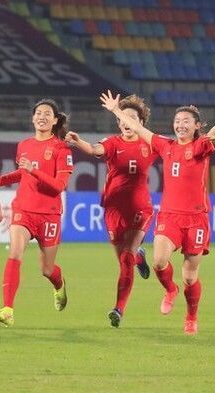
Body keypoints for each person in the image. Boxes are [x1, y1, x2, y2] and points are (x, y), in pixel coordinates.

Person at [100, 85, 215, 334]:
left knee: (190, 276)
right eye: (177, 121)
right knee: (159, 261)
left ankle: (191, 316)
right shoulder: (165, 146)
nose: (180, 125)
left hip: (196, 218)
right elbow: (138, 128)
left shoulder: (201, 147)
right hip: (169, 216)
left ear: (196, 126)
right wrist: (116, 109)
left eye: (186, 122)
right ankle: (170, 289)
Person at [64, 94, 155, 328]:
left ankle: (119, 309)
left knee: (125, 259)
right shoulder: (113, 143)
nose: (126, 121)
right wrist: (78, 142)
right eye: (122, 118)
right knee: (124, 258)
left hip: (140, 208)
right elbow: (95, 150)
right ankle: (140, 256)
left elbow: (177, 148)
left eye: (131, 117)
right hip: (113, 209)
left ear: (141, 122)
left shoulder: (151, 143)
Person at [0, 99, 74, 327]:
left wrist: (33, 169)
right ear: (33, 118)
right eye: (38, 113)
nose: (42, 116)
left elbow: (59, 186)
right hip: (23, 209)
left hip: (49, 214)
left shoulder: (61, 149)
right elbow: (21, 174)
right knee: (15, 252)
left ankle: (59, 284)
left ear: (55, 120)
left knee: (46, 269)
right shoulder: (24, 144)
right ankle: (8, 309)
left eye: (47, 113)